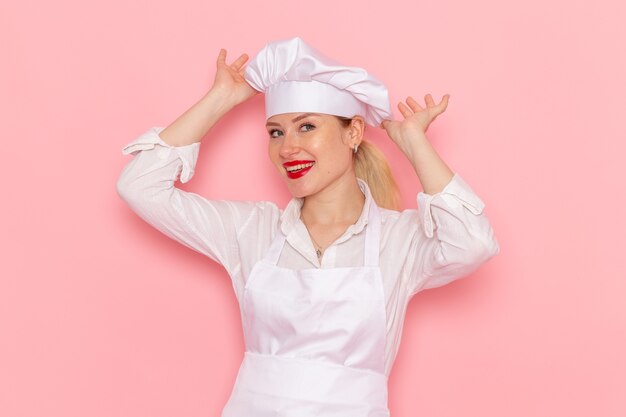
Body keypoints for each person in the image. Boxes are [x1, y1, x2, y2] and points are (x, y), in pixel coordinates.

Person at [117, 36, 500, 417]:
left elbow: (473, 243)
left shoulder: (399, 241)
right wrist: (223, 98)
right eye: (276, 132)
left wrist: (415, 144)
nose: (287, 149)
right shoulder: (252, 230)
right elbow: (139, 187)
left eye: (307, 127)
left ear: (353, 133)